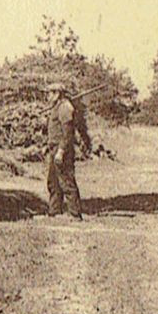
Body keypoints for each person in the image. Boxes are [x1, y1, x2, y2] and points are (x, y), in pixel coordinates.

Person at [44, 83, 91, 219]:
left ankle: (75, 214)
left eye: (50, 93)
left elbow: (68, 133)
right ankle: (54, 212)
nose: (48, 96)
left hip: (62, 150)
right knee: (53, 182)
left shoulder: (65, 108)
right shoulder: (56, 107)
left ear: (57, 93)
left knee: (66, 181)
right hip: (54, 148)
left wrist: (61, 151)